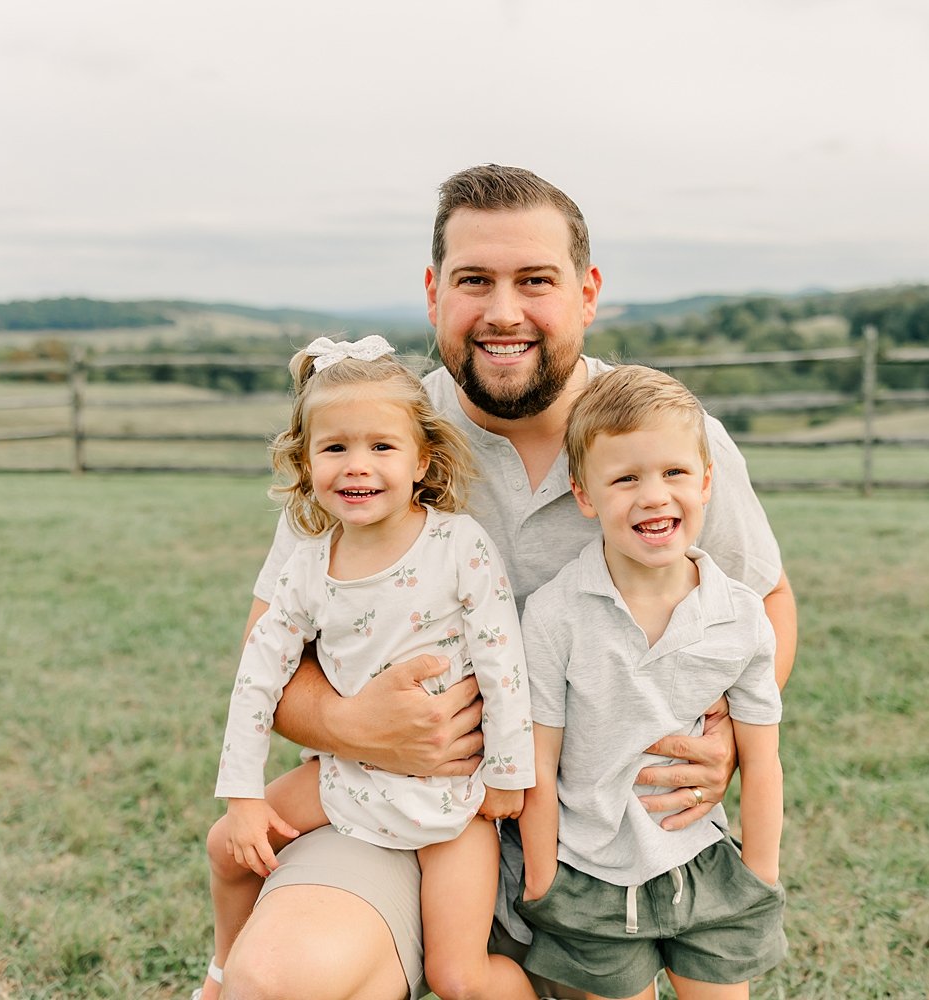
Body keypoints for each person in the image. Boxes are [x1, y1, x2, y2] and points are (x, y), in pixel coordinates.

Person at [219, 164, 797, 1000]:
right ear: (432, 293)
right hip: (397, 810)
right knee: (276, 985)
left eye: (535, 281)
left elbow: (767, 605)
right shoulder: (373, 437)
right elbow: (265, 655)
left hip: (608, 834)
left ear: (587, 291)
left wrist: (729, 744)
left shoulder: (669, 440)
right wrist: (352, 723)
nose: (502, 311)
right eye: (473, 281)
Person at [198, 336, 536, 1000]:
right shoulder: (308, 569)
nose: (358, 466)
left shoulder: (457, 546)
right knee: (225, 847)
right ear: (305, 462)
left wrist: (507, 775)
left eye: (381, 447)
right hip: (345, 778)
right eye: (335, 448)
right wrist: (241, 796)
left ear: (421, 459)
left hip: (452, 801)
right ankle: (218, 973)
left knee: (459, 976)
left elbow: (504, 663)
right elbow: (257, 681)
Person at [516, 365, 785, 999]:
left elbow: (764, 758)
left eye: (673, 473)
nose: (654, 496)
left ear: (706, 481)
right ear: (585, 495)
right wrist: (540, 878)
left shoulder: (740, 614)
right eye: (626, 478)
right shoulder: (557, 613)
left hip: (704, 863)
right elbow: (540, 756)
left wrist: (760, 874)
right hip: (588, 873)